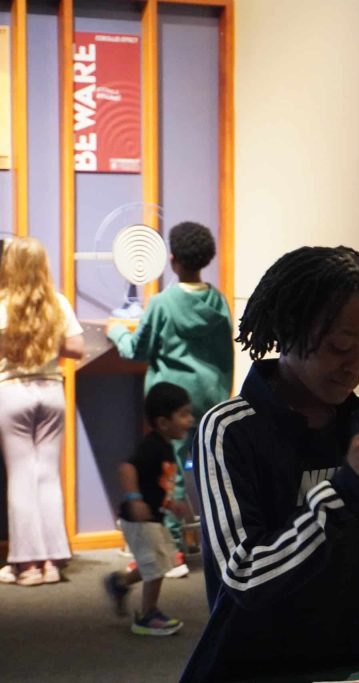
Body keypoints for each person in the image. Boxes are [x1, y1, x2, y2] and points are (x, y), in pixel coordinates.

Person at [180, 246, 359, 683]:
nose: (355, 366)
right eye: (340, 346)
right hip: (257, 667)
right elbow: (245, 575)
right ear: (289, 329)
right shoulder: (229, 429)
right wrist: (344, 487)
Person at [107, 221, 234, 578]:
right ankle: (216, 545)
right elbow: (226, 351)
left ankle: (173, 552)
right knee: (208, 472)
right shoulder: (218, 301)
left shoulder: (162, 303)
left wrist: (116, 330)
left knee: (168, 473)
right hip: (210, 396)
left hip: (170, 401)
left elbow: (138, 348)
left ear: (173, 260)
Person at [0, 237, 84, 587]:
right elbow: (76, 349)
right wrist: (46, 340)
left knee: (21, 476)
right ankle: (52, 562)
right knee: (47, 476)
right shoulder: (58, 303)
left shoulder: (3, 304)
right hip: (51, 392)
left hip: (13, 391)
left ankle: (27, 564)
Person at [104, 382, 193, 636]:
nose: (190, 420)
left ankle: (120, 582)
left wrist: (169, 504)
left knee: (161, 562)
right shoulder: (152, 446)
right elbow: (127, 468)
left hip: (154, 517)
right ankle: (147, 615)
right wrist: (136, 499)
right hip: (139, 518)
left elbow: (156, 482)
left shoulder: (165, 446)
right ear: (163, 422)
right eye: (184, 414)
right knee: (155, 565)